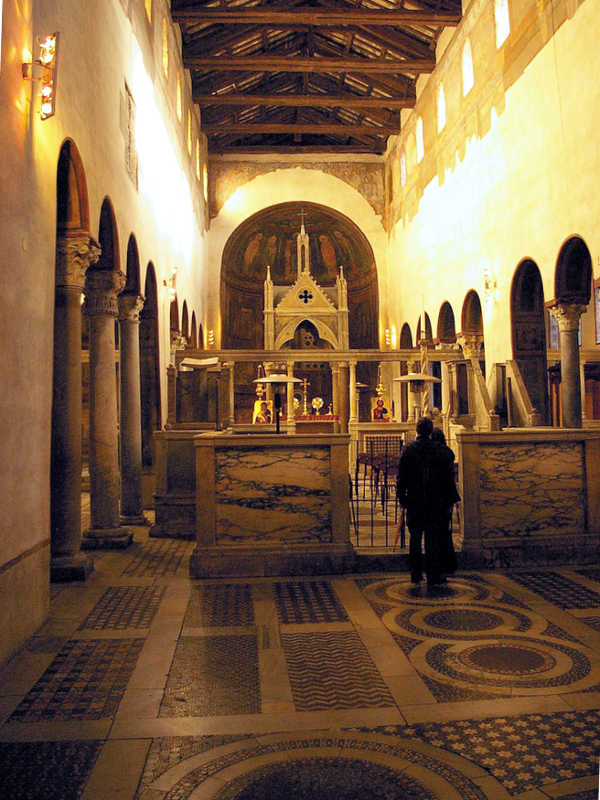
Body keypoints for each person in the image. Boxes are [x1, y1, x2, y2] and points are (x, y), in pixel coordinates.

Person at [396, 417, 460, 589]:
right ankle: (433, 575)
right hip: (434, 501)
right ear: (430, 431)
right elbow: (450, 456)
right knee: (432, 540)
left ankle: (415, 574)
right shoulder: (439, 450)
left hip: (415, 501)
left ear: (417, 431)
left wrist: (402, 499)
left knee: (415, 540)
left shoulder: (408, 450)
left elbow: (401, 478)